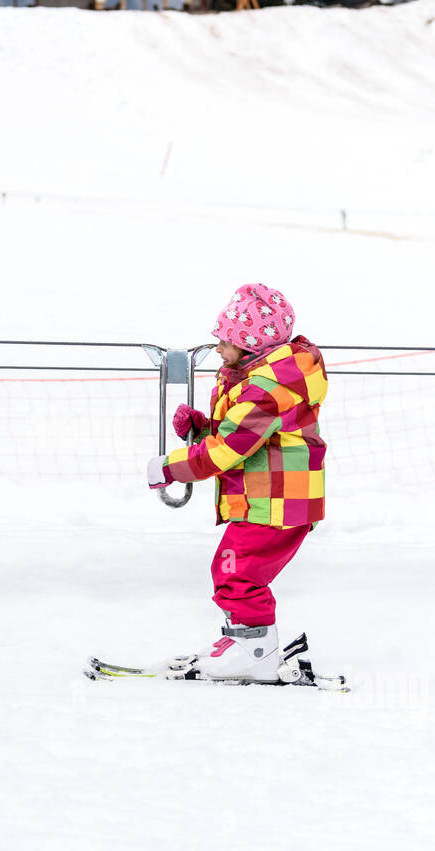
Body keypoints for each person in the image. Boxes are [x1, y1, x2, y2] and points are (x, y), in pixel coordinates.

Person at [146, 282, 329, 684]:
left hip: (274, 502)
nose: (218, 349)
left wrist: (171, 469)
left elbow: (230, 448)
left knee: (237, 574)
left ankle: (256, 651)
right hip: (273, 499)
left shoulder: (267, 388)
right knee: (236, 571)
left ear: (252, 345)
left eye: (226, 341)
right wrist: (203, 427)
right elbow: (246, 433)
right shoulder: (265, 379)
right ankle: (245, 640)